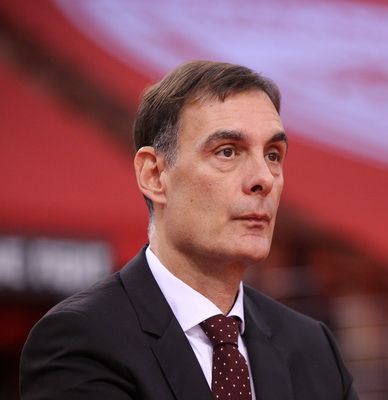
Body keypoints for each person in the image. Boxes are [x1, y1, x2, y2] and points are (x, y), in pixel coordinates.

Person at [20, 61, 358, 400]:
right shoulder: (82, 340)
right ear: (154, 175)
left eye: (273, 155)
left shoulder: (314, 349)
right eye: (228, 152)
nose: (264, 179)